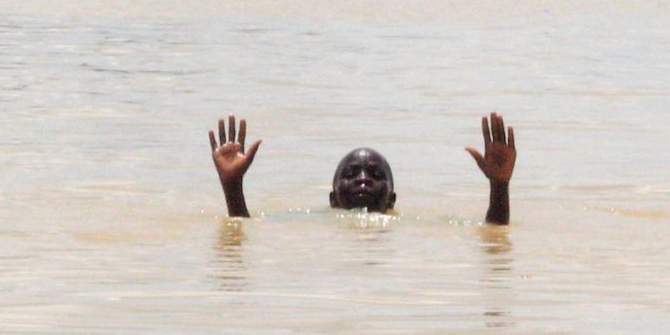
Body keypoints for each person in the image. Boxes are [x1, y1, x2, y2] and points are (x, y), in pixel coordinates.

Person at [208, 111, 516, 225]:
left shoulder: (410, 227)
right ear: (332, 199)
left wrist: (498, 186)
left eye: (376, 175)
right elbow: (241, 230)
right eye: (352, 174)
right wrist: (232, 187)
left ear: (393, 201)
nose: (364, 179)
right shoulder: (311, 224)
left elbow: (492, 234)